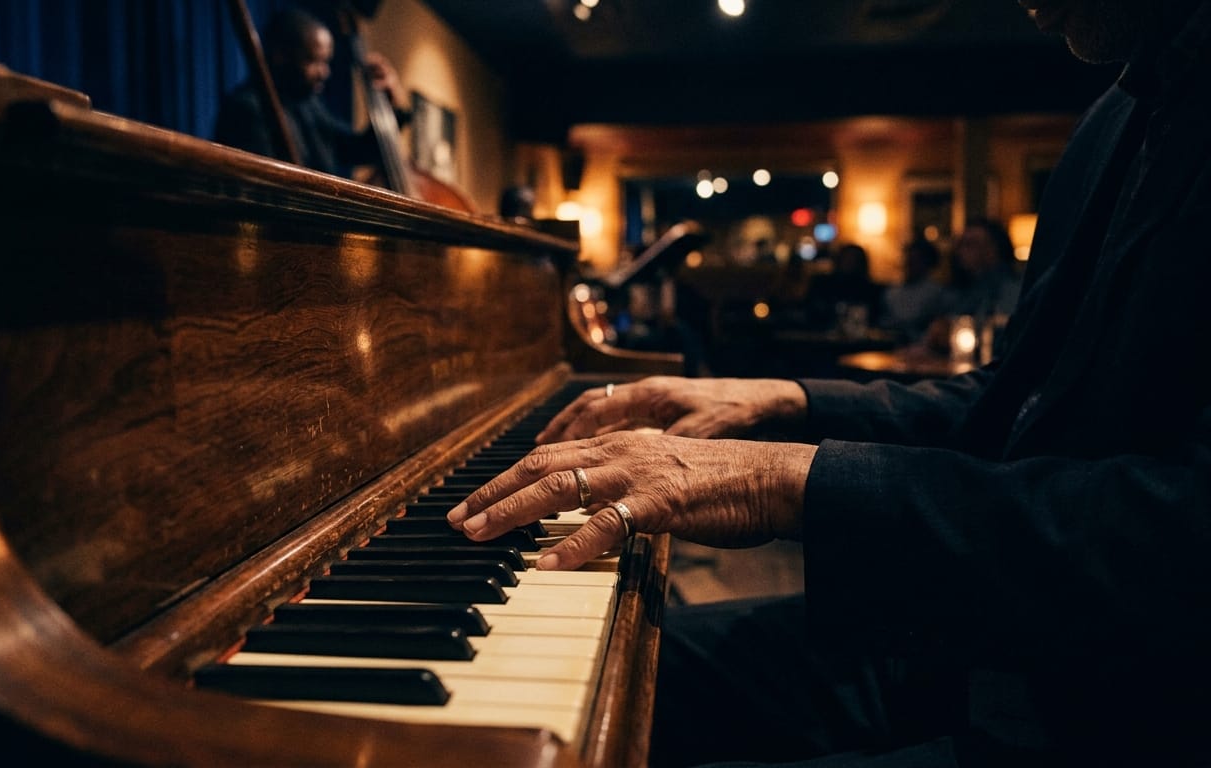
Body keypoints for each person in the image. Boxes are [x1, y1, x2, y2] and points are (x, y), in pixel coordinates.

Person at [446, 1, 1211, 765]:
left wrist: (787, 481)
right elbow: (1011, 403)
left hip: (1124, 714)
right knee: (526, 700)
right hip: (983, 637)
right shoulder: (1116, 114)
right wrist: (779, 400)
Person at [213, 7, 411, 180]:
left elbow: (355, 149)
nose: (324, 73)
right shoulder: (247, 110)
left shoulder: (308, 107)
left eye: (326, 62)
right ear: (280, 55)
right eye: (314, 61)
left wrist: (395, 109)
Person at [878, 237, 955, 344]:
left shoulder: (938, 293)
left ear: (928, 264)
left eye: (916, 260)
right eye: (908, 259)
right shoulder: (891, 293)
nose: (910, 264)